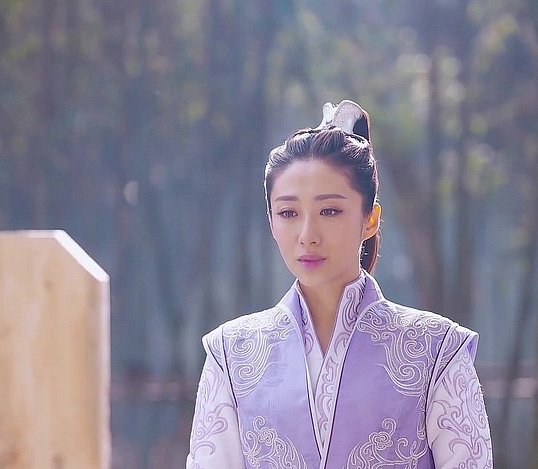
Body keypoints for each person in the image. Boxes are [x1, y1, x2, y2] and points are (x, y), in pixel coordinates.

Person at [186, 100, 492, 468]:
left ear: (370, 219)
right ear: (271, 222)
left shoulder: (437, 351)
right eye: (288, 213)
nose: (307, 234)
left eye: (329, 211)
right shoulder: (232, 354)